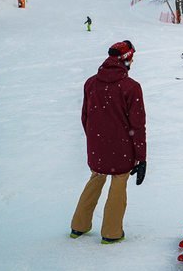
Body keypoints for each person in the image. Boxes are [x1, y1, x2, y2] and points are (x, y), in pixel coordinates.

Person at [71, 40, 146, 244]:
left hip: (97, 146)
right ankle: (111, 233)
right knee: (118, 184)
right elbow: (138, 125)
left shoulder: (91, 83)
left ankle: (79, 226)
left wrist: (96, 141)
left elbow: (85, 117)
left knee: (96, 179)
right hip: (122, 148)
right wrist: (141, 158)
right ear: (126, 59)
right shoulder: (131, 87)